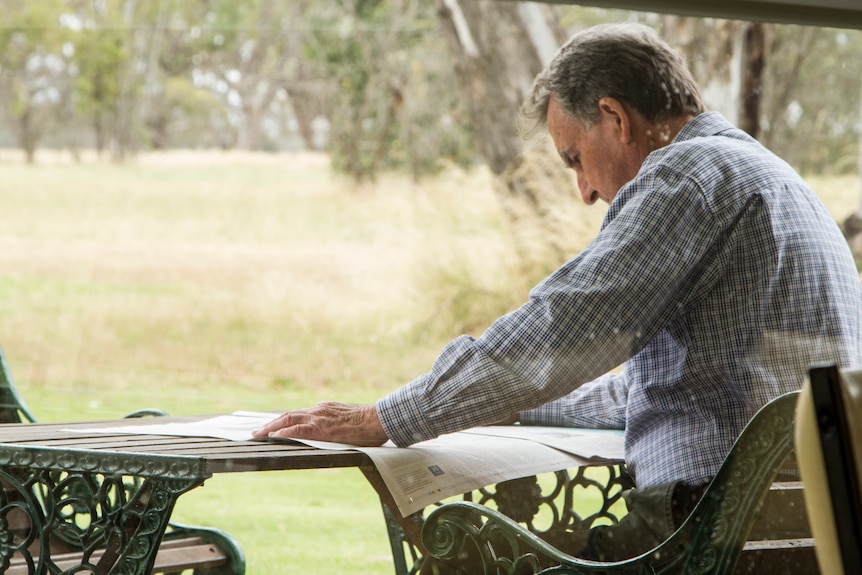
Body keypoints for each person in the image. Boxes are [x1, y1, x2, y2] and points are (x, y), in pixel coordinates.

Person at [254, 22, 862, 561]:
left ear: (616, 118)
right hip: (807, 524)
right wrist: (510, 403)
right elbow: (659, 384)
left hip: (704, 531)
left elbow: (562, 330)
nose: (584, 191)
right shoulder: (771, 178)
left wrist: (384, 417)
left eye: (575, 158)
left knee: (461, 552)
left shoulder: (689, 177)